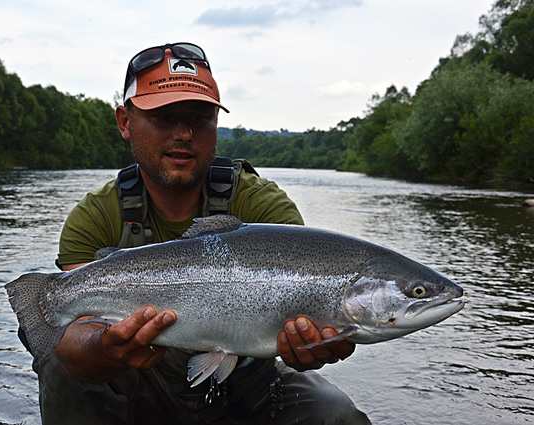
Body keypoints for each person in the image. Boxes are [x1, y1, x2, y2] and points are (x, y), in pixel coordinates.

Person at [37, 42, 370, 424]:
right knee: (61, 370)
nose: (183, 134)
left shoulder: (261, 204)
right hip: (139, 383)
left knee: (335, 415)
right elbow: (71, 341)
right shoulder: (96, 216)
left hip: (246, 382)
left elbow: (306, 311)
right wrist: (106, 348)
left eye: (199, 117)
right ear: (125, 122)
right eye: (164, 117)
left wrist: (315, 345)